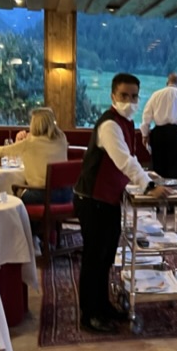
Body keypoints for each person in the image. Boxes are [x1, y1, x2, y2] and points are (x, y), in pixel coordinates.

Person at [74, 73, 167, 334]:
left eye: (134, 96)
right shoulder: (110, 125)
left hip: (109, 200)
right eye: (124, 96)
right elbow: (124, 160)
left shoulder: (127, 122)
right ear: (113, 96)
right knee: (95, 258)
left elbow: (130, 161)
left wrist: (147, 177)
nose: (130, 100)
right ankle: (89, 315)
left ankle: (102, 306)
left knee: (105, 259)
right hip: (92, 200)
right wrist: (148, 186)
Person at [0, 108, 69, 204]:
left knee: (9, 194)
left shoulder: (30, 143)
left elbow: (5, 151)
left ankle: (8, 215)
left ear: (35, 124)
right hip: (67, 194)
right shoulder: (62, 138)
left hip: (42, 195)